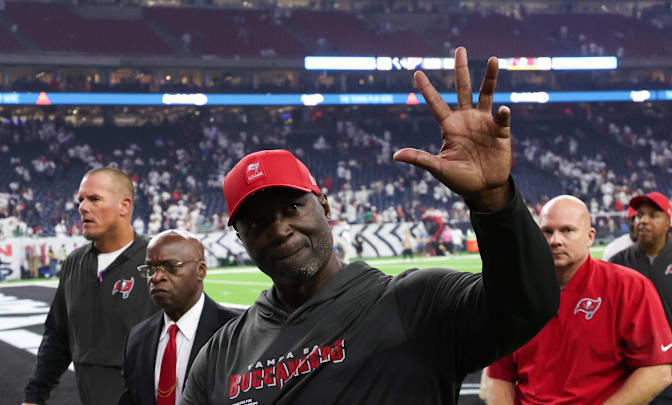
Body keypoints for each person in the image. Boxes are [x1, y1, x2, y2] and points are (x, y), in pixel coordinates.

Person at [180, 47, 560, 404]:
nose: (279, 230)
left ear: (324, 205)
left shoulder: (417, 303)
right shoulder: (218, 357)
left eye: (293, 207)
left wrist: (493, 200)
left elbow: (529, 304)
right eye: (258, 222)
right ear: (240, 237)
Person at [484, 195, 672, 404]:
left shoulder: (629, 287)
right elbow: (497, 376)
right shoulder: (514, 292)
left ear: (590, 236)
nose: (555, 240)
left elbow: (657, 370)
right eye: (547, 231)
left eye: (567, 230)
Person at [23, 168, 158, 405]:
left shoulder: (157, 259)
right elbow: (58, 337)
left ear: (124, 206)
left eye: (94, 199)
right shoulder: (74, 263)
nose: (83, 208)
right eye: (81, 200)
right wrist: (34, 396)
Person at [118, 230, 239, 405]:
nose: (156, 277)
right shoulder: (137, 338)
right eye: (150, 268)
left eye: (170, 266)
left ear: (201, 271)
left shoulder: (237, 331)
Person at [610, 191, 672, 404]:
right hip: (632, 373)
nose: (643, 221)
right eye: (639, 215)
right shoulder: (617, 263)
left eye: (653, 215)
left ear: (668, 223)